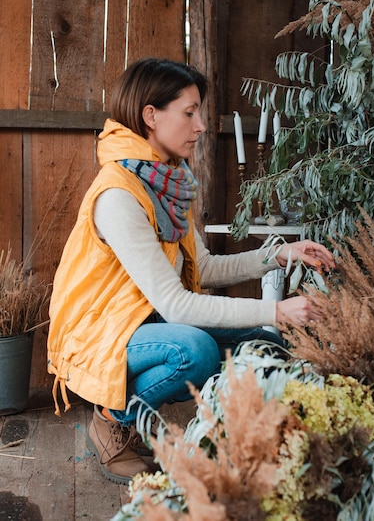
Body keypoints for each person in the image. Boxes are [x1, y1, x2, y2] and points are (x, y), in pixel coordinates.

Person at [47, 57, 335, 485]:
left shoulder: (167, 182)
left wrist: (279, 255)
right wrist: (275, 310)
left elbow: (204, 267)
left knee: (264, 342)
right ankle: (111, 420)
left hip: (143, 321)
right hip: (99, 330)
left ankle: (238, 441)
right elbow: (176, 304)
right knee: (193, 350)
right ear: (151, 116)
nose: (200, 125)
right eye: (189, 112)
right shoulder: (118, 195)